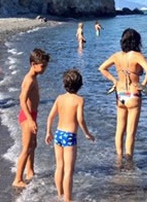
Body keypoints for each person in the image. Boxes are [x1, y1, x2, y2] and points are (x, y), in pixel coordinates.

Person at [98, 28, 147, 157]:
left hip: (120, 95)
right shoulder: (137, 56)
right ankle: (129, 160)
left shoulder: (116, 56)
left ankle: (118, 157)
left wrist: (114, 81)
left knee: (119, 130)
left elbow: (102, 68)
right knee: (131, 132)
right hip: (133, 95)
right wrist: (143, 85)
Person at [45, 69, 95, 202]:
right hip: (69, 136)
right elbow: (80, 119)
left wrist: (48, 132)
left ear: (64, 84)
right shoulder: (79, 100)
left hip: (58, 134)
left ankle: (60, 194)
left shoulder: (60, 98)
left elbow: (50, 116)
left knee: (59, 166)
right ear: (80, 85)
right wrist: (87, 133)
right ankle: (68, 199)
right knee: (68, 171)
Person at [13, 48, 50, 188]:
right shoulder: (29, 79)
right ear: (33, 64)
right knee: (26, 148)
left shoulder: (34, 77)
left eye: (46, 65)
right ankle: (17, 179)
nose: (45, 69)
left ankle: (30, 171)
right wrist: (29, 119)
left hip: (32, 115)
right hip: (27, 116)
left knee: (33, 145)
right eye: (43, 66)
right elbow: (22, 99)